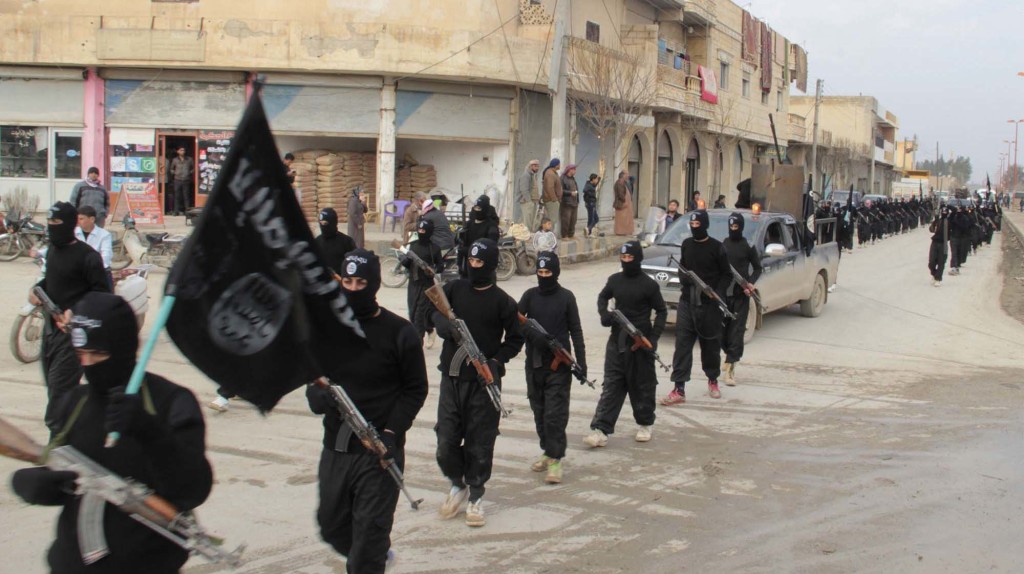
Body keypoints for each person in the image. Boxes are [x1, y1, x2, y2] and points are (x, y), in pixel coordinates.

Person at [12, 292, 213, 573]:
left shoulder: (170, 402)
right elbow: (62, 468)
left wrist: (150, 432)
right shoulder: (74, 401)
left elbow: (192, 490)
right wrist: (37, 484)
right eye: (80, 353)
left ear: (124, 348)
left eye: (99, 354)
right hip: (71, 563)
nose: (88, 364)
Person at [306, 250, 428, 573]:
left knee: (363, 555)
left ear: (374, 284)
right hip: (336, 448)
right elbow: (313, 385)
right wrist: (321, 397)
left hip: (379, 454)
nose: (354, 288)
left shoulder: (399, 332)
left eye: (361, 282)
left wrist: (392, 432)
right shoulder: (328, 330)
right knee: (330, 526)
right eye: (347, 281)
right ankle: (373, 550)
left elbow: (416, 389)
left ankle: (371, 554)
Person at [433, 238, 524, 527]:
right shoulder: (454, 289)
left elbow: (516, 339)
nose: (473, 266)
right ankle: (457, 483)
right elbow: (433, 309)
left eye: (479, 262)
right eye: (470, 261)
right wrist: (444, 326)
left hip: (484, 384)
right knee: (446, 439)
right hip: (452, 377)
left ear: (491, 264)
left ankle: (476, 495)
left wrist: (496, 362)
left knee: (480, 441)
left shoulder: (503, 302)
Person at [31, 202, 110, 432]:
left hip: (74, 337)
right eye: (49, 223)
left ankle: (57, 444)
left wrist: (76, 311)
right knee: (54, 389)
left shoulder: (88, 257)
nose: (52, 227)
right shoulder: (54, 251)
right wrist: (36, 290)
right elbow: (51, 282)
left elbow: (103, 296)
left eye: (56, 223)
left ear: (70, 223)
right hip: (51, 332)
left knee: (60, 392)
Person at [584, 241, 667, 447]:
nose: (627, 261)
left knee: (643, 386)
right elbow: (603, 297)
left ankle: (645, 424)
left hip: (641, 344)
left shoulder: (649, 284)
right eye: (624, 258)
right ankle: (601, 429)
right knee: (612, 385)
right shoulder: (615, 280)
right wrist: (605, 314)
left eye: (630, 258)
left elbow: (662, 311)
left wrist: (653, 339)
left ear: (638, 259)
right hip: (617, 342)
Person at [518, 252, 585, 484]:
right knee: (539, 412)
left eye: (548, 273)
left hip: (559, 366)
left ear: (556, 273)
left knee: (554, 415)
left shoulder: (566, 297)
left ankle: (556, 460)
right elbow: (516, 322)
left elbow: (576, 330)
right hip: (534, 364)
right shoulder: (529, 296)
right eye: (540, 272)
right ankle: (548, 451)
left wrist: (581, 361)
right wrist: (535, 336)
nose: (543, 276)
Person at [662, 210, 731, 405]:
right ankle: (679, 388)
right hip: (687, 302)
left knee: (710, 346)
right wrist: (686, 279)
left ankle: (713, 380)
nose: (694, 229)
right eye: (692, 226)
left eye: (697, 226)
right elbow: (682, 268)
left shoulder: (717, 248)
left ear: (705, 225)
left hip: (709, 305)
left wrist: (716, 293)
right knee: (682, 346)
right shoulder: (687, 245)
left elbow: (726, 275)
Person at [720, 212, 762, 386]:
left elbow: (758, 268)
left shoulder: (748, 246)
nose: (733, 229)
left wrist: (750, 284)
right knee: (722, 333)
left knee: (737, 332)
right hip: (724, 295)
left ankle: (731, 368)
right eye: (731, 226)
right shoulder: (723, 245)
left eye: (736, 227)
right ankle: (728, 355)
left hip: (740, 295)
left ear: (741, 227)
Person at [401, 218, 443, 348]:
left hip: (427, 286)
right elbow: (406, 263)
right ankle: (429, 330)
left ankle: (417, 344)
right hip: (413, 284)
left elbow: (440, 265)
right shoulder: (412, 245)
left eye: (423, 230)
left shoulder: (434, 248)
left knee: (419, 315)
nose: (421, 232)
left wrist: (432, 270)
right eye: (419, 230)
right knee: (412, 313)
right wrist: (405, 260)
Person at [458, 195, 500, 277]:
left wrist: (469, 250)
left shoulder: (491, 226)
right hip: (468, 266)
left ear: (485, 209)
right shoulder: (469, 224)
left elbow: (490, 247)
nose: (477, 210)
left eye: (479, 208)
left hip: (483, 269)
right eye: (475, 208)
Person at [74, 205, 114, 290]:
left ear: (92, 219)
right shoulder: (73, 233)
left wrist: (92, 268)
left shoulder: (104, 235)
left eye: (81, 219)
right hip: (78, 272)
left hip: (99, 272)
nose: (78, 222)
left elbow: (106, 255)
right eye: (78, 219)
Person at [316, 207, 357, 276]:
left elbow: (354, 264)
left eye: (325, 223)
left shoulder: (346, 242)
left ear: (333, 223)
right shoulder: (317, 241)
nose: (323, 226)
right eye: (321, 223)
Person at [516, 159, 541, 232]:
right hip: (527, 202)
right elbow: (524, 190)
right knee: (527, 221)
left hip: (532, 201)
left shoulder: (533, 175)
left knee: (529, 220)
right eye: (535, 166)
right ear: (530, 166)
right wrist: (529, 201)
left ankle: (525, 235)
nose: (537, 168)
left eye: (538, 166)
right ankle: (526, 236)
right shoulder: (526, 175)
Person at [928, 205, 950, 287]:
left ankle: (938, 278)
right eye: (943, 212)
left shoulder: (949, 221)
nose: (944, 213)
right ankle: (934, 274)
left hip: (944, 243)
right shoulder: (938, 221)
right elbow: (931, 230)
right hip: (935, 242)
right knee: (931, 262)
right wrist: (934, 222)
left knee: (941, 261)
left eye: (945, 212)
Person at [169, 146, 194, 216]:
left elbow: (193, 168)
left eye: (184, 150)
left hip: (186, 180)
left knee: (186, 196)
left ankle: (187, 212)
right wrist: (174, 173)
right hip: (177, 180)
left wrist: (189, 173)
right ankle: (176, 211)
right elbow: (171, 169)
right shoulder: (175, 160)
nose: (183, 151)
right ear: (178, 151)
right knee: (177, 196)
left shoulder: (189, 159)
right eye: (181, 150)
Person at [541, 158, 562, 236]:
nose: (560, 165)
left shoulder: (553, 173)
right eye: (559, 164)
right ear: (556, 165)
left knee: (552, 219)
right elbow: (550, 187)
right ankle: (548, 235)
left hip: (552, 200)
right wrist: (554, 199)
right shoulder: (550, 173)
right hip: (551, 200)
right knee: (552, 220)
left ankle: (548, 235)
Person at [559, 164, 579, 238]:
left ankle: (571, 234)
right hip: (566, 203)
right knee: (566, 220)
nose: (575, 171)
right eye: (574, 169)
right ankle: (565, 235)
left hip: (574, 202)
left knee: (573, 220)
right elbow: (560, 190)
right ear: (569, 170)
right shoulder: (562, 178)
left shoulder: (573, 178)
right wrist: (570, 193)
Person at [612, 171, 635, 236]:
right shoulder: (620, 183)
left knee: (626, 219)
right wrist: (625, 201)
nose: (628, 176)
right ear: (623, 175)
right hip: (622, 204)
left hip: (626, 204)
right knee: (622, 219)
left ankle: (626, 231)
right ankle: (621, 232)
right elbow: (620, 194)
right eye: (626, 174)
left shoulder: (624, 182)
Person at [582, 173, 600, 237]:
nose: (597, 181)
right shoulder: (589, 185)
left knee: (591, 219)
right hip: (590, 203)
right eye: (596, 179)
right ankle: (588, 229)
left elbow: (595, 184)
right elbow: (584, 190)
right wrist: (590, 195)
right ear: (593, 179)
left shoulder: (592, 184)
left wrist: (599, 178)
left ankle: (588, 232)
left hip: (591, 203)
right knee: (595, 219)